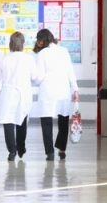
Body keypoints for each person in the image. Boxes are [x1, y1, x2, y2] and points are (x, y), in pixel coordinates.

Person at [31, 28, 78, 161]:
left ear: (41, 40)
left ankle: (50, 152)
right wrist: (75, 89)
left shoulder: (42, 54)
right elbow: (70, 72)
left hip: (48, 91)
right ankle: (62, 149)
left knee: (46, 122)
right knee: (63, 120)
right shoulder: (64, 51)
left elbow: (39, 77)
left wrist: (33, 80)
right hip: (63, 90)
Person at [0, 31, 41, 161]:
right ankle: (21, 147)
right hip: (23, 93)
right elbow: (35, 77)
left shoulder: (5, 58)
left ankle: (12, 150)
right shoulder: (28, 59)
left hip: (8, 93)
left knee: (8, 121)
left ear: (10, 43)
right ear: (23, 44)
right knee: (21, 120)